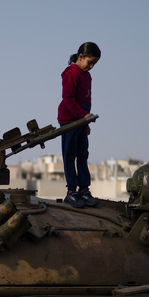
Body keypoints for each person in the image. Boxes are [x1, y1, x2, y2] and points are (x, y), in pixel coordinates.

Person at [58, 42, 101, 209]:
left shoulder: (86, 75)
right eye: (89, 62)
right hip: (69, 120)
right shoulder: (71, 73)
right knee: (70, 155)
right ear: (80, 57)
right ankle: (71, 192)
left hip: (81, 121)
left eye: (94, 64)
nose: (91, 66)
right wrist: (83, 116)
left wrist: (85, 122)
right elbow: (68, 99)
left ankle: (84, 189)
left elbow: (85, 100)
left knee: (83, 154)